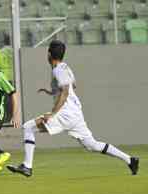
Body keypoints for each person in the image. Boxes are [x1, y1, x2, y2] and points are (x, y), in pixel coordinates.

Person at [7, 40, 139, 177]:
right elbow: (72, 85)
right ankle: (130, 160)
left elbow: (65, 91)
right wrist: (51, 91)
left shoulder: (58, 70)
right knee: (91, 145)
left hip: (65, 113)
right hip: (75, 114)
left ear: (49, 54)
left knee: (28, 127)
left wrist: (52, 113)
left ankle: (27, 166)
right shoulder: (65, 67)